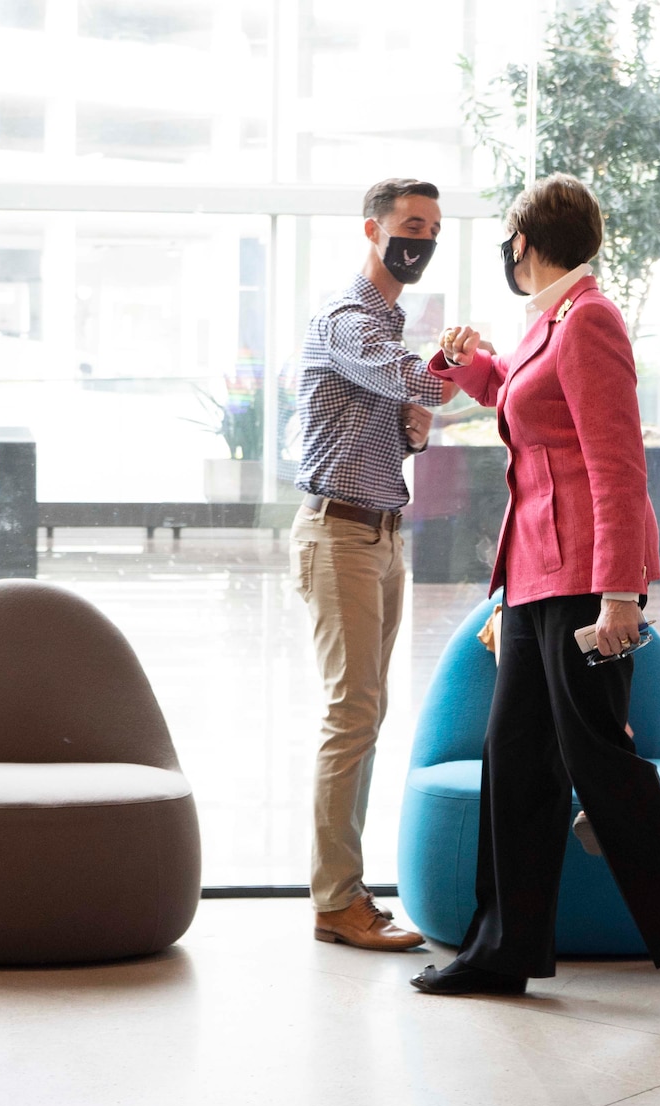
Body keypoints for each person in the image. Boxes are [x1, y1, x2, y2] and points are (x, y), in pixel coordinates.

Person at [408, 174, 660, 1017]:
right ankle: (503, 948)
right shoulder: (550, 325)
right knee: (516, 760)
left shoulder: (590, 321)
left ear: (527, 243)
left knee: (598, 762)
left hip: (583, 580)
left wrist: (621, 596)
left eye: (509, 238)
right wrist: (472, 369)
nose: (506, 252)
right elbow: (525, 412)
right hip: (536, 575)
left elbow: (616, 464)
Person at [290, 178, 457, 952]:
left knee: (366, 715)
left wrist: (416, 428)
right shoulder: (348, 319)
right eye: (409, 225)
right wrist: (465, 369)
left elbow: (404, 419)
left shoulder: (388, 325)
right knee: (350, 716)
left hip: (383, 535)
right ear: (373, 229)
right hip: (340, 536)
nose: (420, 239)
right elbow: (411, 381)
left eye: (431, 226)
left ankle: (346, 889)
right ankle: (335, 901)